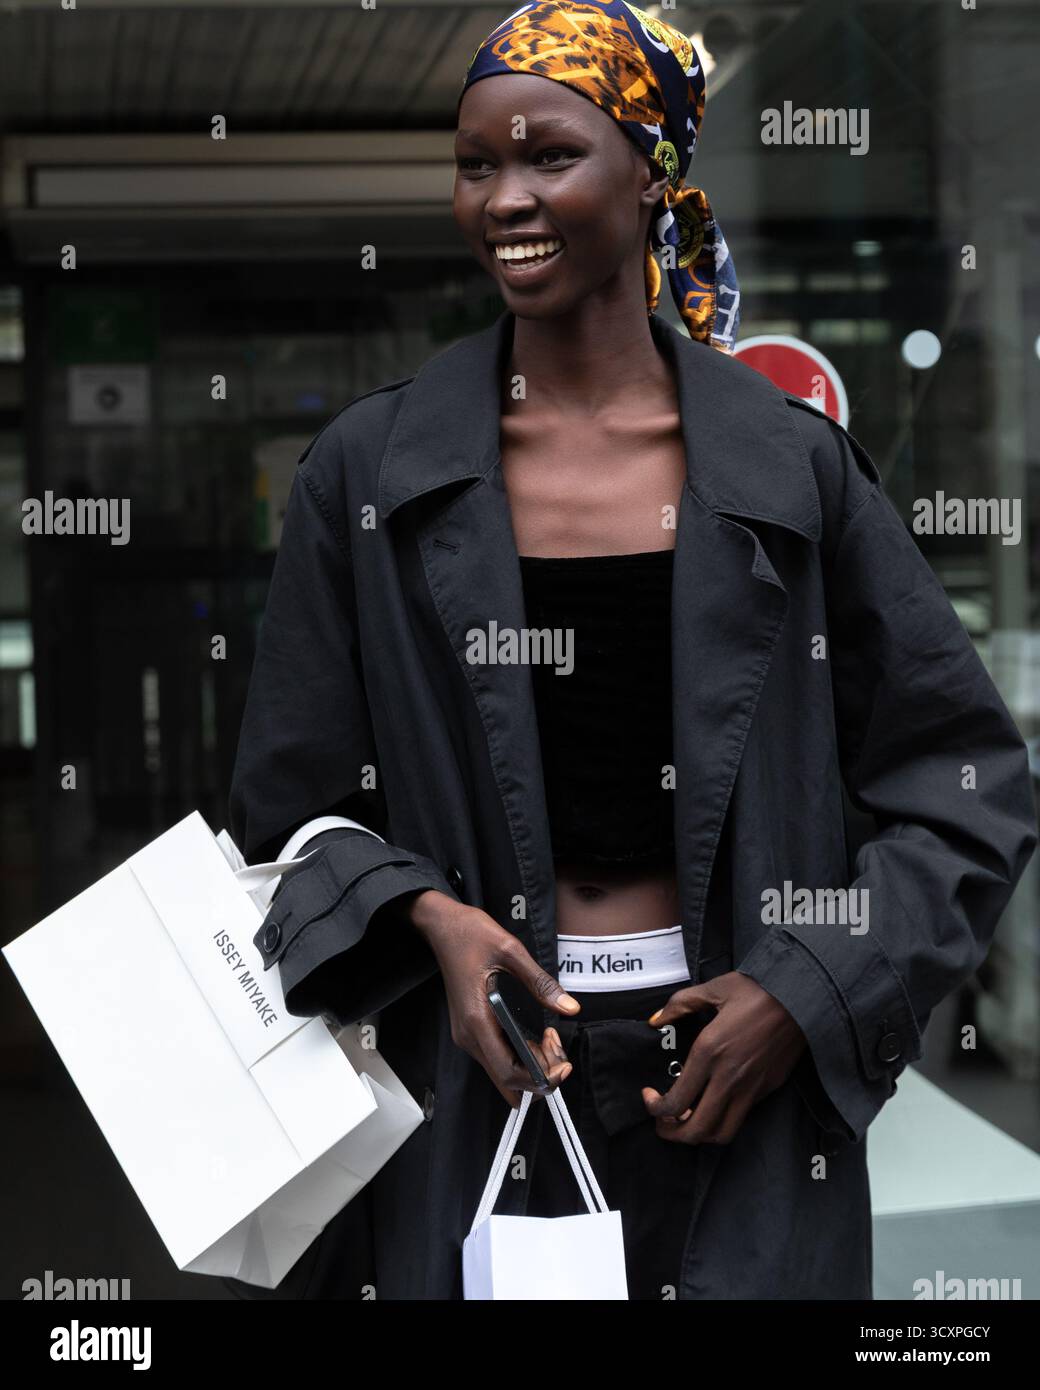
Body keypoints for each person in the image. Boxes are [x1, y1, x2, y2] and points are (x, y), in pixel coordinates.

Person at [226, 0, 1037, 1301]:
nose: (505, 197)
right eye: (477, 163)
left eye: (548, 155)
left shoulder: (793, 470)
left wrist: (808, 986)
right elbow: (288, 806)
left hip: (736, 1083)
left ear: (649, 171)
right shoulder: (370, 474)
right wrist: (429, 920)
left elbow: (965, 790)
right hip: (471, 1073)